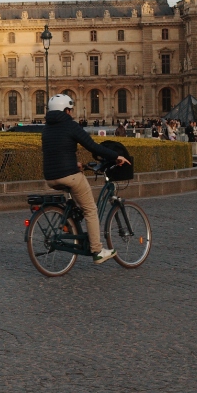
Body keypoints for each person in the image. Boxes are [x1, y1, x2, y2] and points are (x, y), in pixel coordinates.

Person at [42, 93, 131, 264]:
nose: (72, 113)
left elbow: (54, 151)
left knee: (78, 204)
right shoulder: (70, 125)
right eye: (70, 109)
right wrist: (116, 157)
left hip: (51, 177)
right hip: (68, 175)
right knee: (91, 209)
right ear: (65, 110)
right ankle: (97, 250)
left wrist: (74, 163)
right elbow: (93, 147)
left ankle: (70, 224)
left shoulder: (46, 128)